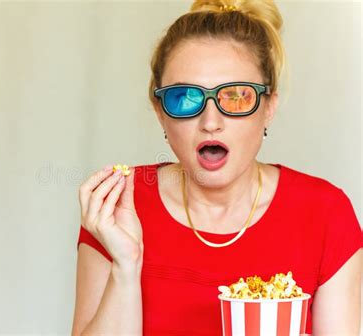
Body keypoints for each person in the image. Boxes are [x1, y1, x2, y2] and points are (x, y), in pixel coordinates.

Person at [72, 1, 362, 335]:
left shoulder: (325, 214)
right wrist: (126, 266)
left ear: (269, 106)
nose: (211, 122)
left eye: (237, 97)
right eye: (184, 98)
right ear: (159, 110)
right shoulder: (120, 205)